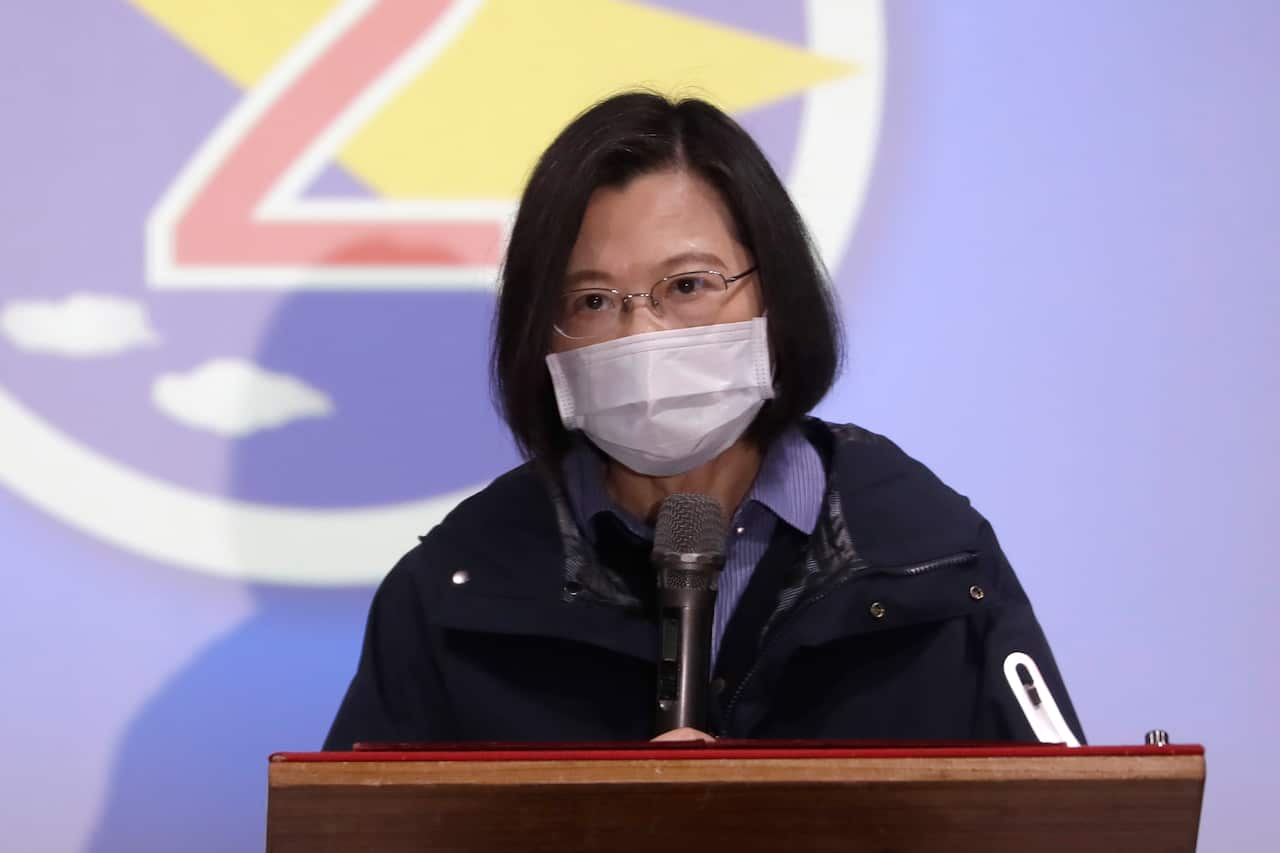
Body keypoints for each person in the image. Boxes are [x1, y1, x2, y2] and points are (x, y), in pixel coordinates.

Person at [324, 92, 1083, 748]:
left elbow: (1058, 817)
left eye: (687, 285)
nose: (641, 334)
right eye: (592, 301)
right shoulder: (455, 589)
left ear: (774, 291)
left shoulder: (933, 558)